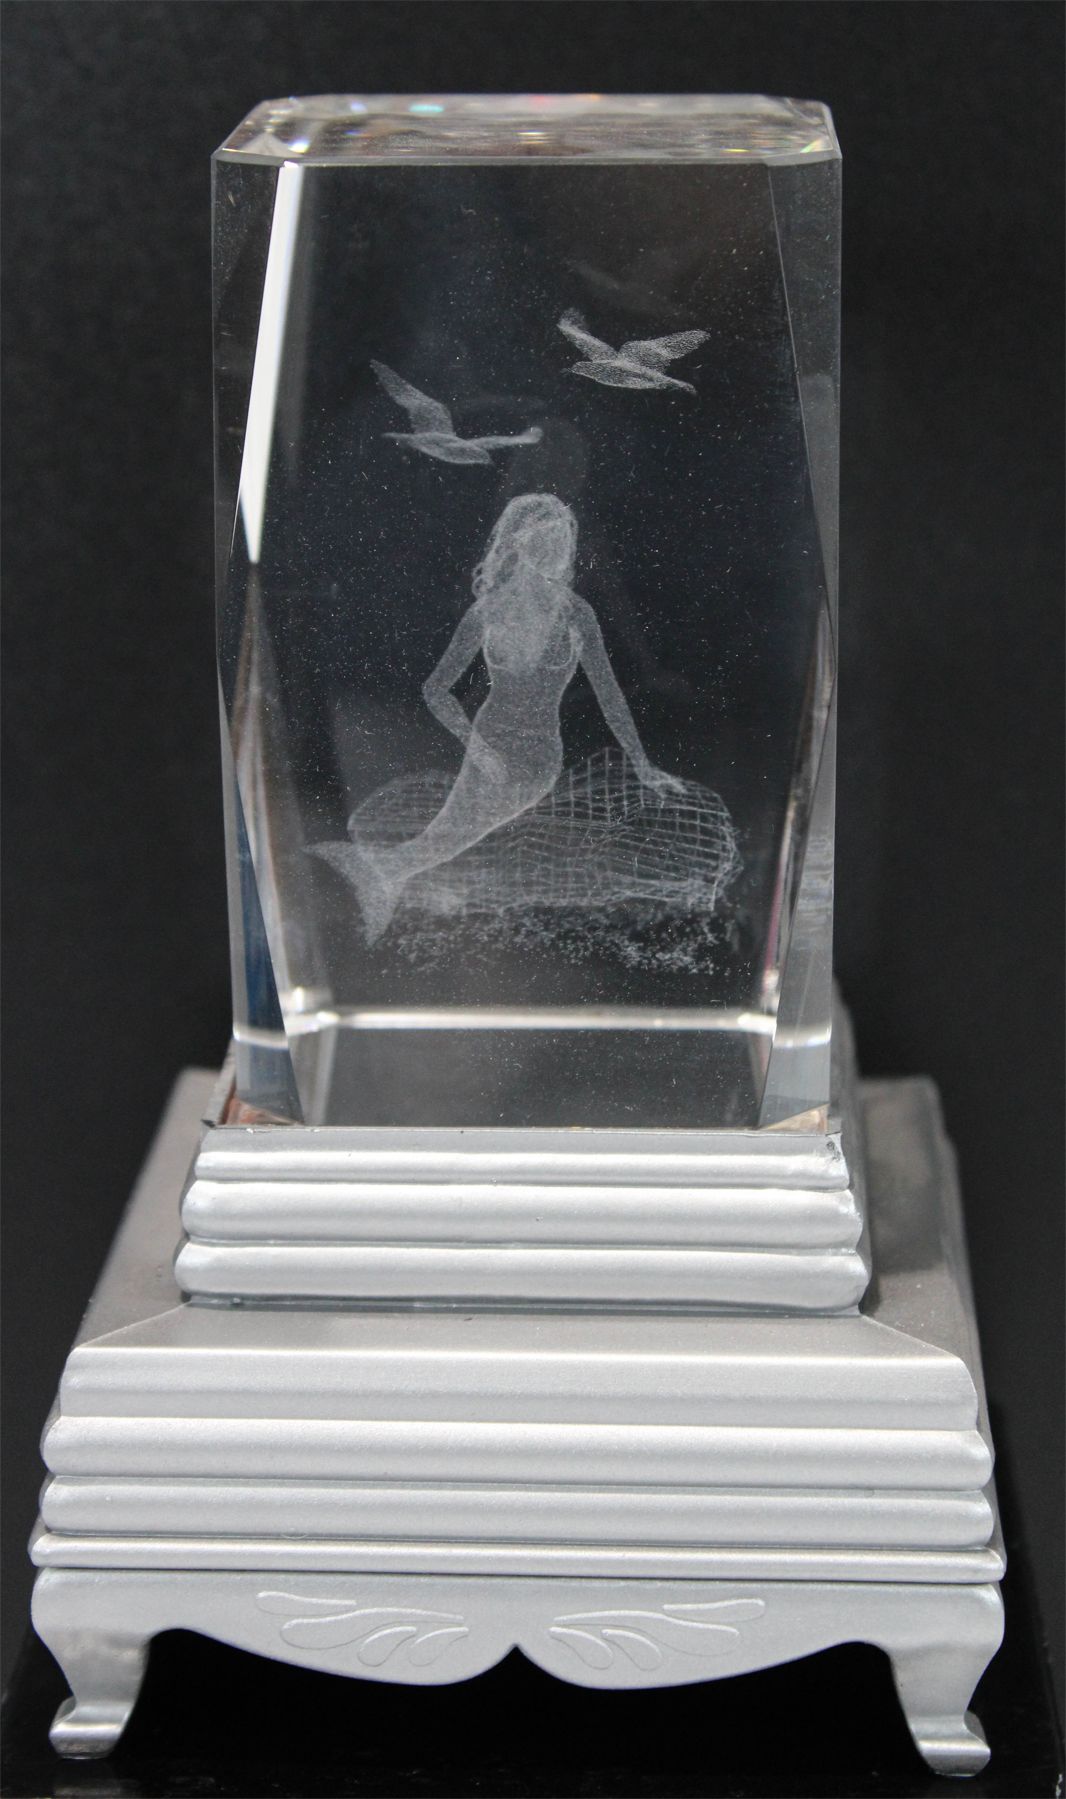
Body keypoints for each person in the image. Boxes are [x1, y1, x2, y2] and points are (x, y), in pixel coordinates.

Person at [349, 492, 683, 941]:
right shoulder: (488, 611)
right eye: (547, 539)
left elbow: (610, 694)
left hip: (538, 755)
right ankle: (377, 883)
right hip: (488, 739)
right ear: (519, 544)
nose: (558, 551)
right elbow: (435, 690)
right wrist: (478, 749)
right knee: (444, 838)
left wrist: (643, 764)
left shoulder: (576, 614)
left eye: (564, 540)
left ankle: (375, 878)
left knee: (449, 839)